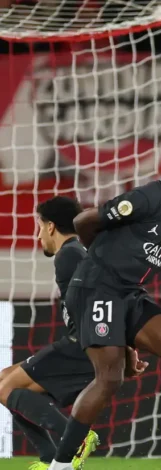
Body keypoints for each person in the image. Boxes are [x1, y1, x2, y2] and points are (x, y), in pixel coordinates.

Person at [47, 138, 161, 470]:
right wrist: (100, 259)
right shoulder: (149, 197)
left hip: (129, 292)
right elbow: (84, 221)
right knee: (110, 378)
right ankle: (59, 465)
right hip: (98, 287)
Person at [0, 196, 101, 470]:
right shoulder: (77, 252)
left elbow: (96, 301)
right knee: (7, 381)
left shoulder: (69, 255)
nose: (38, 235)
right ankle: (50, 458)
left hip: (82, 346)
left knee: (7, 388)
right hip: (85, 344)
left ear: (51, 226)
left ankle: (76, 437)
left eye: (39, 226)